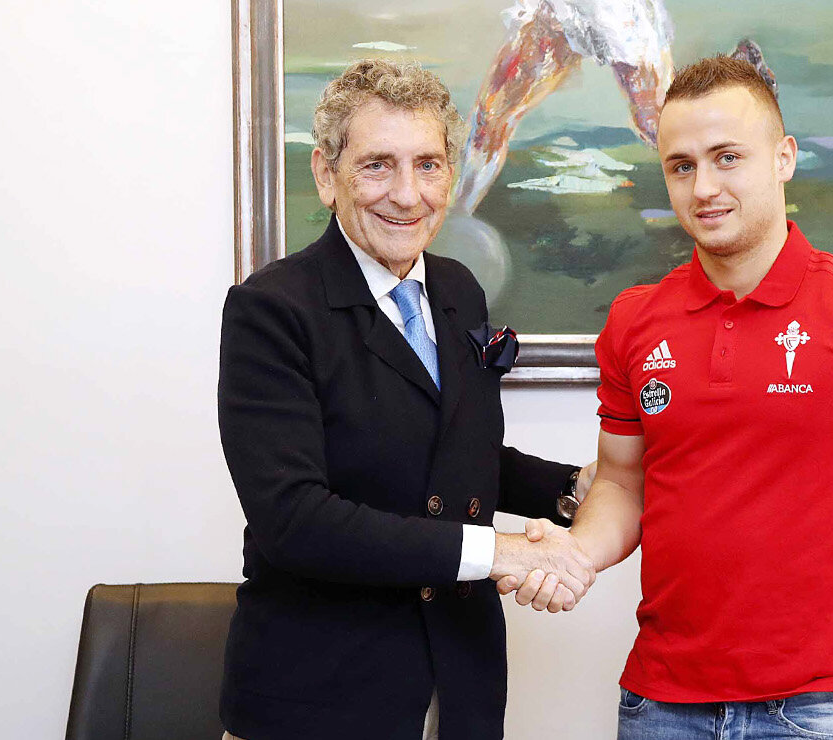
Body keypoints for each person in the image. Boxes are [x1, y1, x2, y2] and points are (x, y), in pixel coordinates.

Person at [505, 56, 833, 740]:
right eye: (682, 166)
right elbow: (624, 483)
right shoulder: (635, 320)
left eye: (728, 157)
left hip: (821, 706)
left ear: (784, 158)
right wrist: (576, 553)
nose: (704, 188)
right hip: (659, 705)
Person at [217, 58, 595, 740]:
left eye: (428, 165)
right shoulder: (271, 310)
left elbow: (452, 455)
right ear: (326, 175)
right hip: (320, 697)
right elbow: (294, 520)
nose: (407, 194)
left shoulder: (458, 290)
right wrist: (501, 552)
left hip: (460, 685)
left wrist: (572, 490)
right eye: (377, 166)